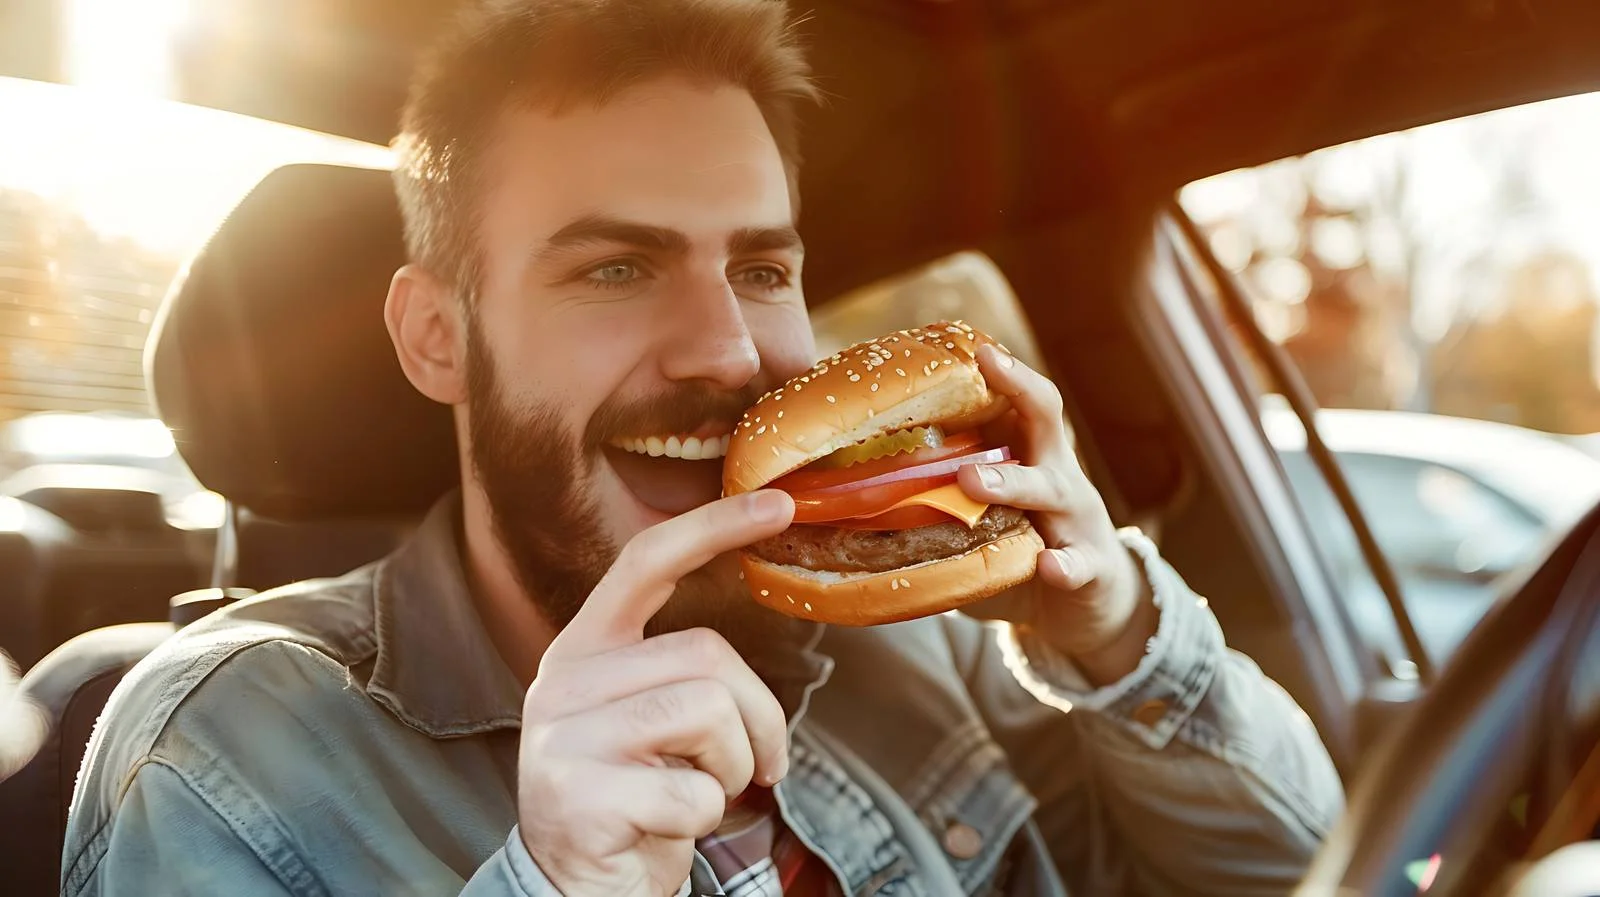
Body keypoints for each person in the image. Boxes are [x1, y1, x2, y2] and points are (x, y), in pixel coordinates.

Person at [61, 1, 1344, 895]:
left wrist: (1119, 638)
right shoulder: (234, 746)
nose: (726, 350)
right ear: (439, 339)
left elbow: (1308, 875)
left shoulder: (928, 644)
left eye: (762, 265)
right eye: (615, 267)